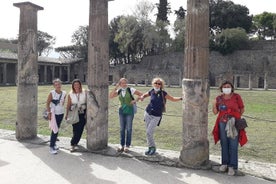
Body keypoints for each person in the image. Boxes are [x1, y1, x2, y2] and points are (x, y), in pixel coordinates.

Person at [212, 80, 248, 176]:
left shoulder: (236, 97)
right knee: (224, 143)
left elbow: (242, 109)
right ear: (222, 88)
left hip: (234, 123)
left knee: (233, 144)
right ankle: (224, 164)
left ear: (231, 88)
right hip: (222, 123)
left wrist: (235, 118)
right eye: (225, 87)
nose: (227, 88)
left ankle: (232, 166)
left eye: (228, 86)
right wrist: (213, 104)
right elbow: (215, 112)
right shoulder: (219, 98)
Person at [140, 77, 182, 155]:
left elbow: (172, 99)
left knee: (149, 132)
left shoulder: (163, 93)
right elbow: (145, 95)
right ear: (153, 84)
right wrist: (142, 97)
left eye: (159, 83)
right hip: (148, 113)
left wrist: (181, 98)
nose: (157, 85)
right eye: (156, 83)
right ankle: (150, 148)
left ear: (161, 85)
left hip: (156, 116)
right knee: (148, 133)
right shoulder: (152, 91)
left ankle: (153, 148)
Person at [109, 78, 143, 152]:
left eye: (125, 83)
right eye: (122, 83)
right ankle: (122, 145)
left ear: (126, 83)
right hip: (121, 111)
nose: (124, 84)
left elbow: (141, 94)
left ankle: (127, 145)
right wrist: (116, 87)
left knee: (129, 128)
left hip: (129, 111)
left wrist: (135, 100)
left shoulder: (131, 89)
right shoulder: (119, 90)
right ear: (120, 84)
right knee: (122, 129)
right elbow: (110, 96)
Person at [46, 79, 67, 155]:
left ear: (61, 84)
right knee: (54, 129)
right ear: (54, 86)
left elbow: (62, 102)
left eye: (59, 84)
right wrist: (49, 113)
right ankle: (51, 147)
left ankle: (54, 143)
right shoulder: (52, 93)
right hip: (53, 113)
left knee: (57, 128)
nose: (58, 86)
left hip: (61, 113)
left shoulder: (64, 93)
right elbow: (47, 103)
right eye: (56, 85)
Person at [65, 79, 87, 152]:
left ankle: (74, 142)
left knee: (80, 129)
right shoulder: (70, 93)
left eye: (78, 84)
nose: (76, 86)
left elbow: (88, 102)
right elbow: (68, 104)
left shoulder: (84, 92)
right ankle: (74, 143)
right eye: (75, 85)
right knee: (75, 129)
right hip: (74, 112)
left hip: (83, 112)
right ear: (73, 86)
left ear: (80, 85)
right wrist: (67, 114)